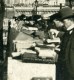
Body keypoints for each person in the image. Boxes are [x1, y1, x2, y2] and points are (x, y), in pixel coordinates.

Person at [57, 7, 74, 80]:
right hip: (65, 71)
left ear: (70, 20)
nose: (62, 24)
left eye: (63, 21)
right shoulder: (67, 33)